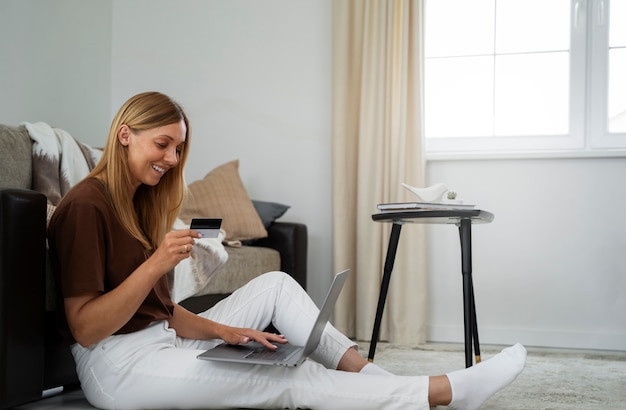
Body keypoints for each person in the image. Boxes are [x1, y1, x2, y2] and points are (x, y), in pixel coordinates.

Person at [48, 91, 526, 410]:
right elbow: (87, 329)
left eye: (178, 149)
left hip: (160, 342)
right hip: (116, 366)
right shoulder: (85, 206)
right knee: (281, 382)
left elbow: (163, 314)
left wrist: (227, 331)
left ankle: (374, 377)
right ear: (125, 133)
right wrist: (156, 263)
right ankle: (438, 393)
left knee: (275, 286)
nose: (172, 160)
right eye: (164, 144)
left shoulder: (136, 204)